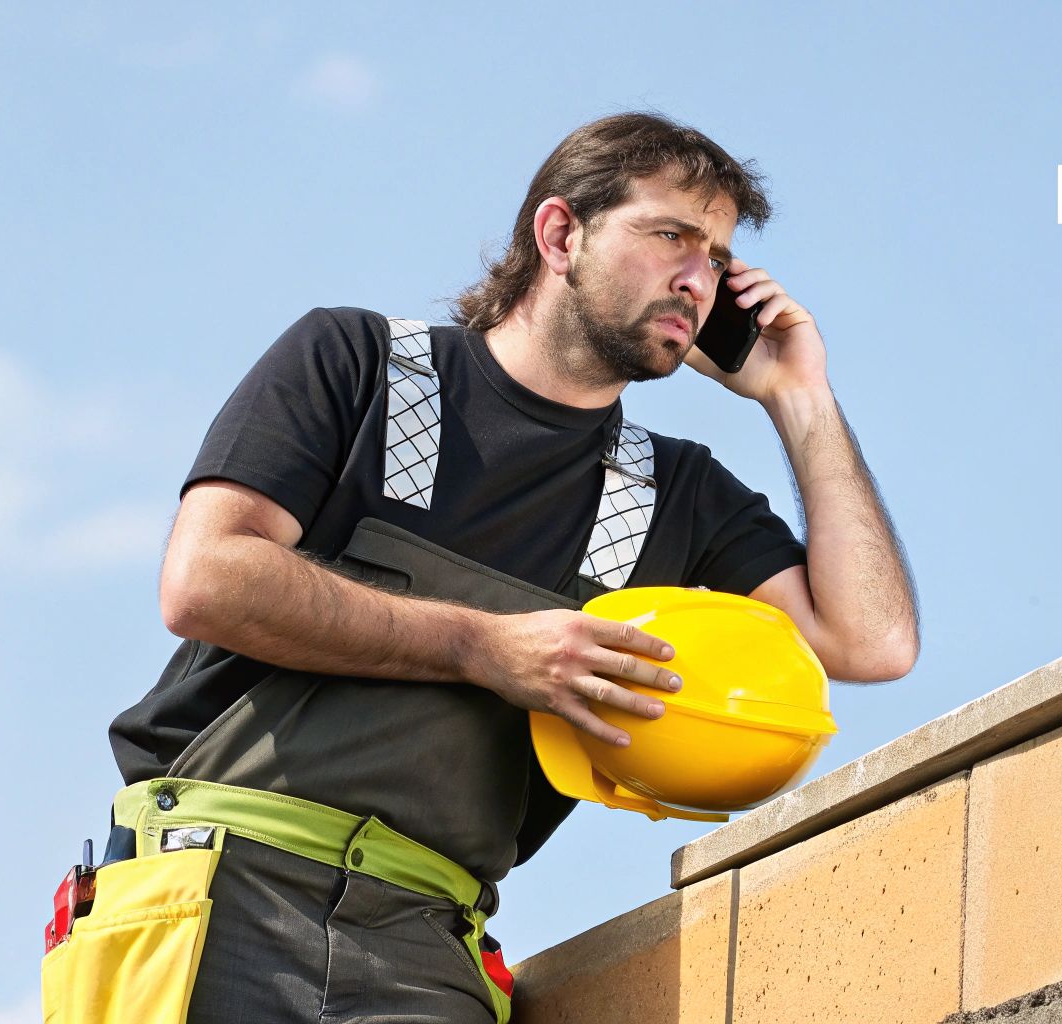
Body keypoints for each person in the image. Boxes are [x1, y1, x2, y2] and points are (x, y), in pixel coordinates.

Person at [96, 112, 918, 1023]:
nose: (700, 279)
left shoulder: (679, 493)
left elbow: (870, 641)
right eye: (672, 236)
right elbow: (207, 579)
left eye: (719, 259)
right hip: (220, 890)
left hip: (426, 945)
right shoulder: (358, 364)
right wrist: (480, 646)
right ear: (560, 233)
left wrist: (802, 398)